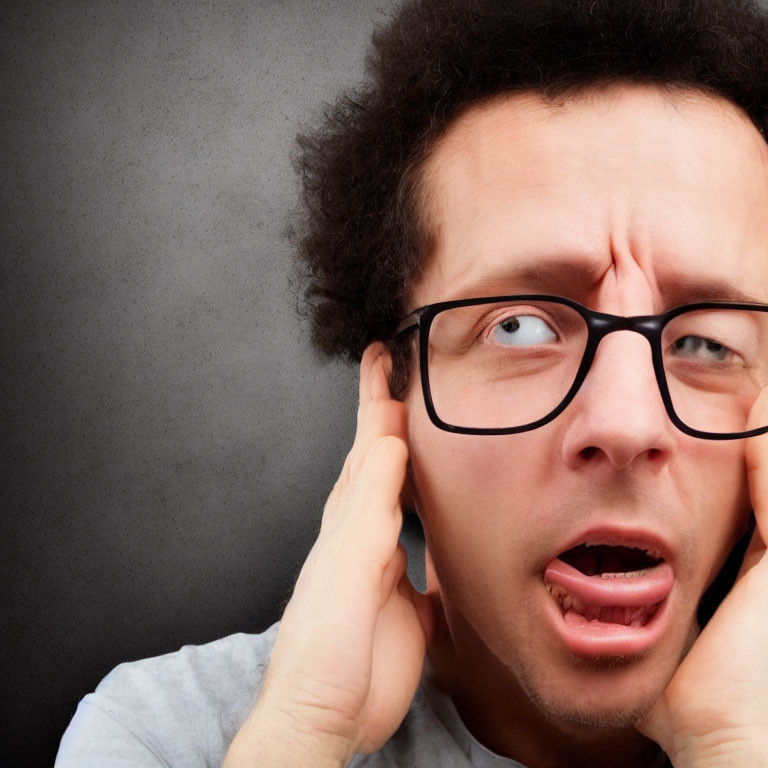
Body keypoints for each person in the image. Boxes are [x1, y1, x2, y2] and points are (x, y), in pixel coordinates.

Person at [56, 0, 768, 766]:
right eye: (519, 327)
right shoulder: (163, 737)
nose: (628, 423)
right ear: (394, 404)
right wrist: (303, 732)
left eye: (704, 341)